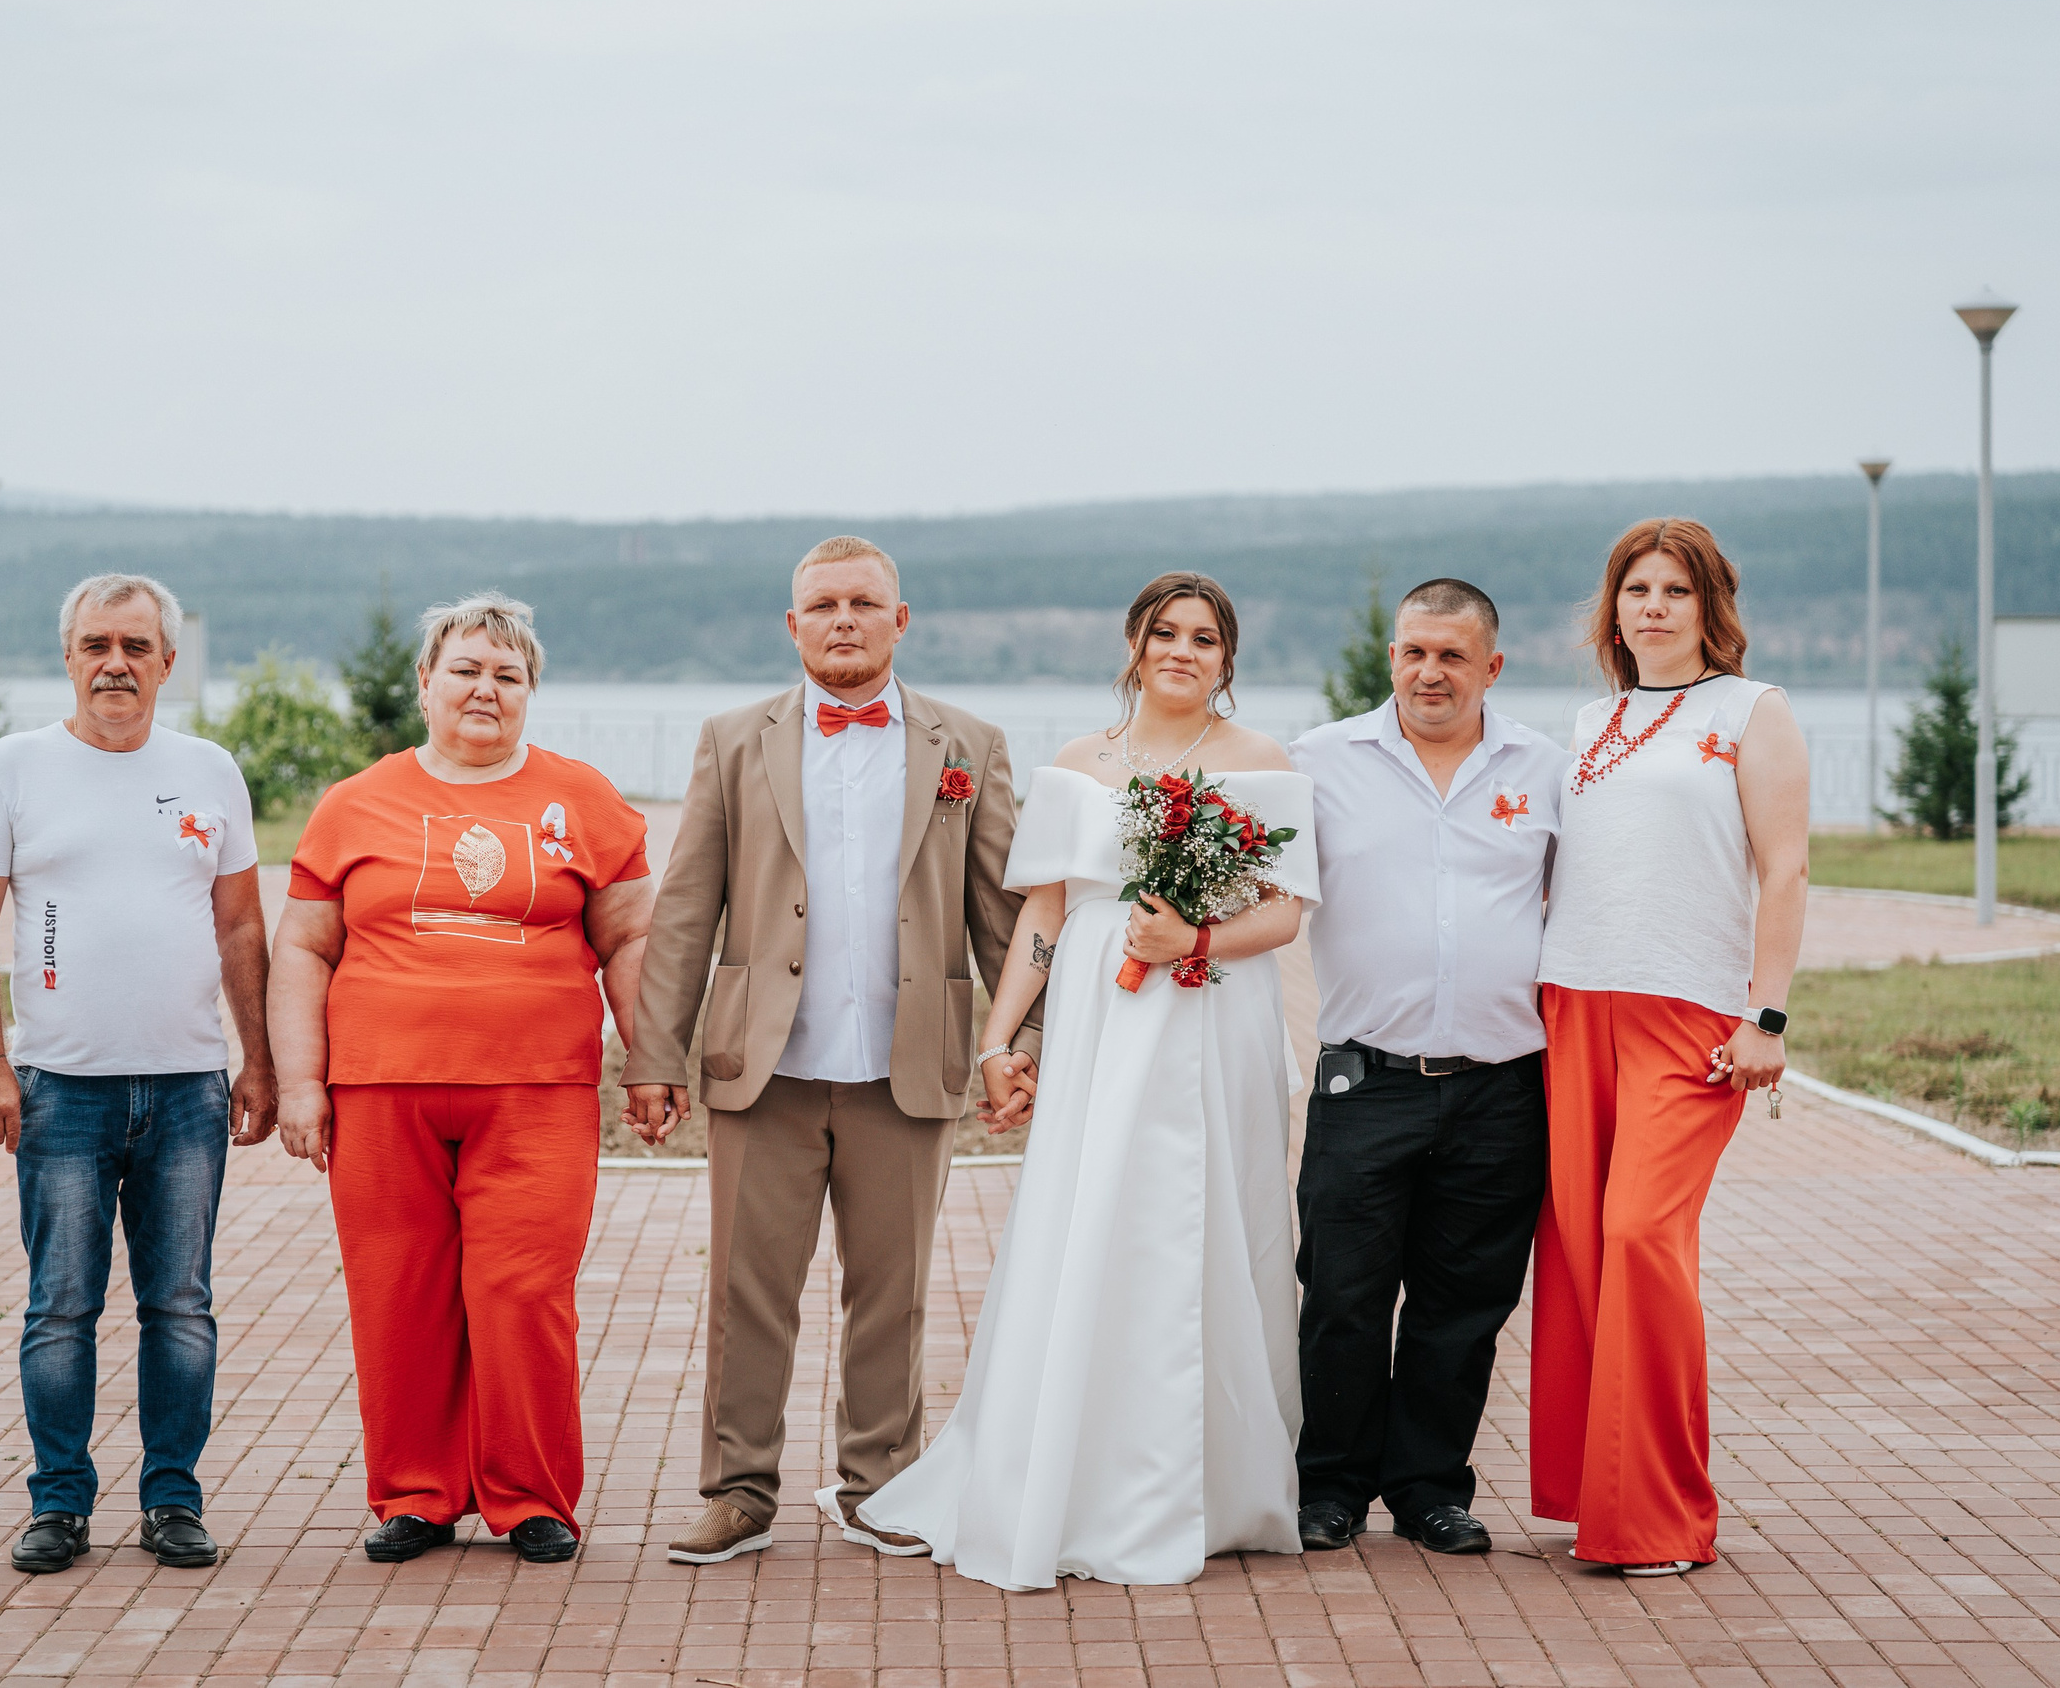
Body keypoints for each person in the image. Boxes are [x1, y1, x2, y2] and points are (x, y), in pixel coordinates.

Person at [857, 571, 1317, 1590]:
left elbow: (1285, 913)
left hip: (1216, 1010)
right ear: (1134, 645)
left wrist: (1195, 936)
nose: (1182, 651)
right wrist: (1000, 1039)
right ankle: (1071, 1466)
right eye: (1165, 633)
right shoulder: (1077, 763)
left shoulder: (1262, 761)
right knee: (1093, 1210)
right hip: (1107, 1015)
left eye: (1204, 638)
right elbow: (1045, 914)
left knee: (1213, 1219)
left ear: (1226, 659)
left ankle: (1217, 1483)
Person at [620, 536, 1034, 1568]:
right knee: (745, 1292)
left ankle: (880, 1486)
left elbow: (1004, 915)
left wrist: (1025, 1044)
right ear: (793, 625)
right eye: (822, 605)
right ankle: (737, 1492)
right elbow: (686, 909)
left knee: (893, 1295)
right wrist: (654, 1055)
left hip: (909, 1064)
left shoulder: (969, 744)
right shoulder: (732, 740)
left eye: (863, 602)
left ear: (901, 620)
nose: (842, 619)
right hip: (763, 1070)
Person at [268, 592, 654, 1567]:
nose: (486, 689)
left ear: (529, 691)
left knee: (523, 1291)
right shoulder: (354, 803)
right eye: (467, 670)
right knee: (398, 1292)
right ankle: (417, 1494)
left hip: (536, 1091)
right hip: (379, 1091)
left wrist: (653, 1059)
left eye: (507, 675)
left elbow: (632, 940)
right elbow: (304, 947)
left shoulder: (585, 801)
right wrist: (301, 1082)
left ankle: (531, 1497)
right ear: (425, 683)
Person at [0, 572, 276, 1575]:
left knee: (180, 1306)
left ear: (168, 661)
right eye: (96, 645)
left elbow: (240, 925)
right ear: (68, 657)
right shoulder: (14, 769)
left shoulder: (210, 770)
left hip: (186, 1089)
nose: (115, 664)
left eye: (135, 647)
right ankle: (59, 1502)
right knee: (61, 1307)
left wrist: (259, 1059)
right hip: (59, 1090)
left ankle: (172, 1499)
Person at [1531, 518, 1809, 1577]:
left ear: (1709, 607)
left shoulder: (1752, 710)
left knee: (1641, 1236)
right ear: (1612, 608)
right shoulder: (1589, 718)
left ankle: (1661, 1515)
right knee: (1579, 1249)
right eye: (1635, 589)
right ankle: (1595, 1497)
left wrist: (1765, 1017)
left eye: (1675, 590)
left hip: (1688, 1016)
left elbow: (1784, 869)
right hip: (1571, 1003)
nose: (1652, 607)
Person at [1288, 579, 1567, 1558]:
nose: (1429, 672)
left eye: (1452, 655)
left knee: (1464, 1305)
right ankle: (1328, 1487)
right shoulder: (1318, 761)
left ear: (1492, 666)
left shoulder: (1546, 770)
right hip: (1364, 1081)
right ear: (1391, 658)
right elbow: (1264, 896)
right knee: (1342, 1297)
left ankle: (1428, 1489)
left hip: (1502, 1088)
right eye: (1414, 652)